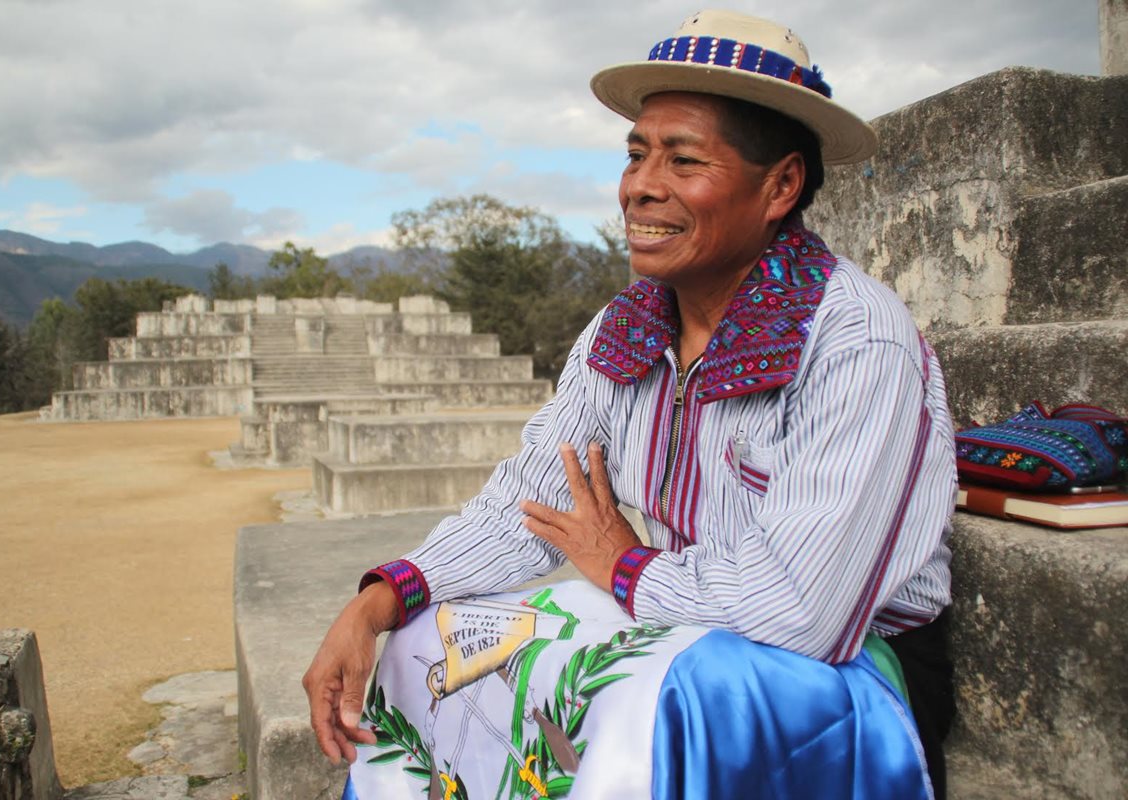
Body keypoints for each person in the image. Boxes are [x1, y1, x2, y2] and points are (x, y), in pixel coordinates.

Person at [305, 9, 957, 799]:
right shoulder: (628, 330)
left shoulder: (855, 340)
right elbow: (532, 501)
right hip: (683, 620)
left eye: (684, 161)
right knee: (433, 644)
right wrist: (378, 602)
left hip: (840, 672)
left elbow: (803, 613)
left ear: (780, 185)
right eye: (637, 154)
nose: (641, 186)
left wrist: (623, 565)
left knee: (640, 709)